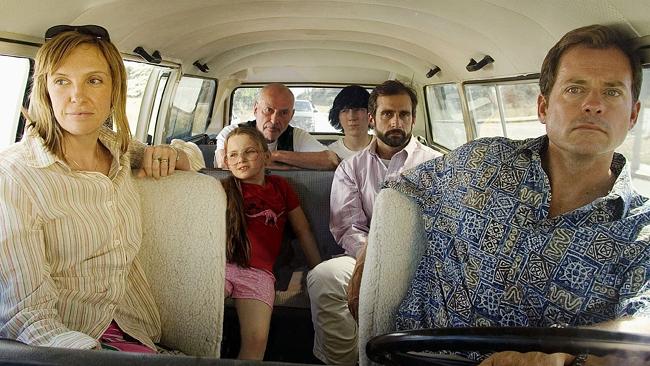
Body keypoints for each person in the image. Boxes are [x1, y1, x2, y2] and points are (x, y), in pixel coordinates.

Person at [384, 24, 650, 366]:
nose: (593, 105)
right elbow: (403, 185)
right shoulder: (480, 161)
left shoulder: (641, 232)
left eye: (612, 92)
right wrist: (367, 261)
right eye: (574, 89)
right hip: (415, 356)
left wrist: (555, 357)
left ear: (632, 115)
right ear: (542, 107)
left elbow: (644, 324)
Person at [0, 26, 205, 352]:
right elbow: (25, 312)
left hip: (138, 329)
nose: (77, 95)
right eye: (62, 81)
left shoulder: (119, 150)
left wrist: (173, 154)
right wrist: (84, 353)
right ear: (45, 91)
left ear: (114, 90)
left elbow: (195, 158)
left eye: (93, 80)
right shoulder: (13, 176)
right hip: (65, 343)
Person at [307, 80, 442, 365]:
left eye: (404, 114)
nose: (396, 121)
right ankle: (344, 361)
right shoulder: (351, 167)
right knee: (324, 277)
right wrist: (370, 256)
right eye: (387, 114)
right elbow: (346, 226)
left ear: (413, 119)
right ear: (372, 118)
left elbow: (443, 225)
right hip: (362, 256)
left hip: (422, 260)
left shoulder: (439, 164)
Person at [221, 126, 322, 360]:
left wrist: (317, 270)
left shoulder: (280, 187)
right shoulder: (223, 189)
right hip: (222, 267)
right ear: (226, 160)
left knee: (256, 340)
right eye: (233, 155)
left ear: (266, 156)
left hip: (259, 273)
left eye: (249, 152)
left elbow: (303, 230)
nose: (241, 160)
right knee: (202, 325)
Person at [215, 83, 339, 170]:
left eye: (283, 113)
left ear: (291, 115)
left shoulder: (296, 136)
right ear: (255, 109)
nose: (274, 120)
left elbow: (332, 160)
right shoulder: (233, 133)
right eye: (268, 110)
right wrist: (289, 167)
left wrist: (276, 156)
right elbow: (225, 165)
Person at [327, 85, 373, 160]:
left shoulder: (383, 148)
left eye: (357, 109)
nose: (351, 117)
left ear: (370, 114)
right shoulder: (331, 153)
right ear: (337, 116)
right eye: (345, 110)